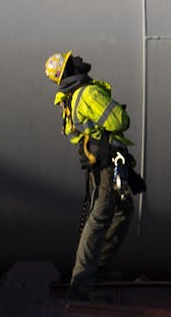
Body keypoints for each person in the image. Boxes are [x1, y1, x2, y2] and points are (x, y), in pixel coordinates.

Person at [45, 50, 145, 301]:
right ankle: (82, 280)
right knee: (100, 216)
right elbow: (120, 121)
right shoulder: (88, 93)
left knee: (124, 207)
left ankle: (96, 267)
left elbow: (74, 135)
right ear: (69, 70)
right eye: (73, 60)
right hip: (107, 164)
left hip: (102, 163)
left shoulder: (68, 101)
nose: (79, 60)